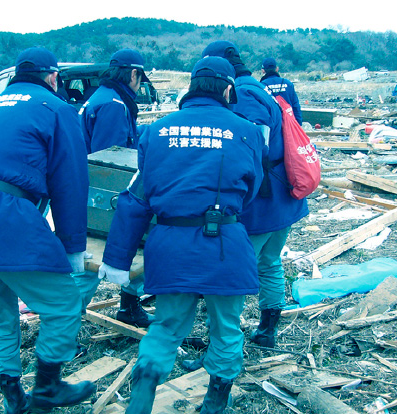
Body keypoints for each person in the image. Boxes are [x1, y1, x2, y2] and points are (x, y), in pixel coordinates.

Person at [98, 56, 265, 414]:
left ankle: (142, 396)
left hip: (171, 244)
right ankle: (214, 402)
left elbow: (135, 199)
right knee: (226, 327)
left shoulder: (156, 131)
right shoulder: (246, 130)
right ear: (226, 88)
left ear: (192, 86)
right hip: (225, 245)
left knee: (167, 325)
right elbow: (252, 191)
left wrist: (116, 261)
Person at [0, 47, 95, 413]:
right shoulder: (57, 109)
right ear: (54, 77)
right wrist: (73, 248)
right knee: (63, 304)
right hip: (5, 216)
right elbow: (70, 183)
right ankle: (48, 389)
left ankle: (14, 399)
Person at [203, 41, 309, 349]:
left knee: (228, 271)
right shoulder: (256, 88)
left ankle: (221, 345)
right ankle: (266, 332)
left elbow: (252, 148)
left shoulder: (245, 93)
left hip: (262, 201)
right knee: (270, 262)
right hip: (281, 198)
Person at [77, 48, 155, 328]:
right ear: (134, 74)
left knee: (131, 251)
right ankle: (64, 326)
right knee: (94, 263)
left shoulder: (102, 97)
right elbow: (110, 162)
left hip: (87, 192)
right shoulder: (113, 105)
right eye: (140, 78)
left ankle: (129, 306)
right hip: (97, 199)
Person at [260, 57, 303, 125]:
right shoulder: (288, 84)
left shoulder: (261, 86)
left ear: (263, 70)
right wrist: (298, 124)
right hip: (289, 123)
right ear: (277, 69)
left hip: (272, 125)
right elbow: (296, 106)